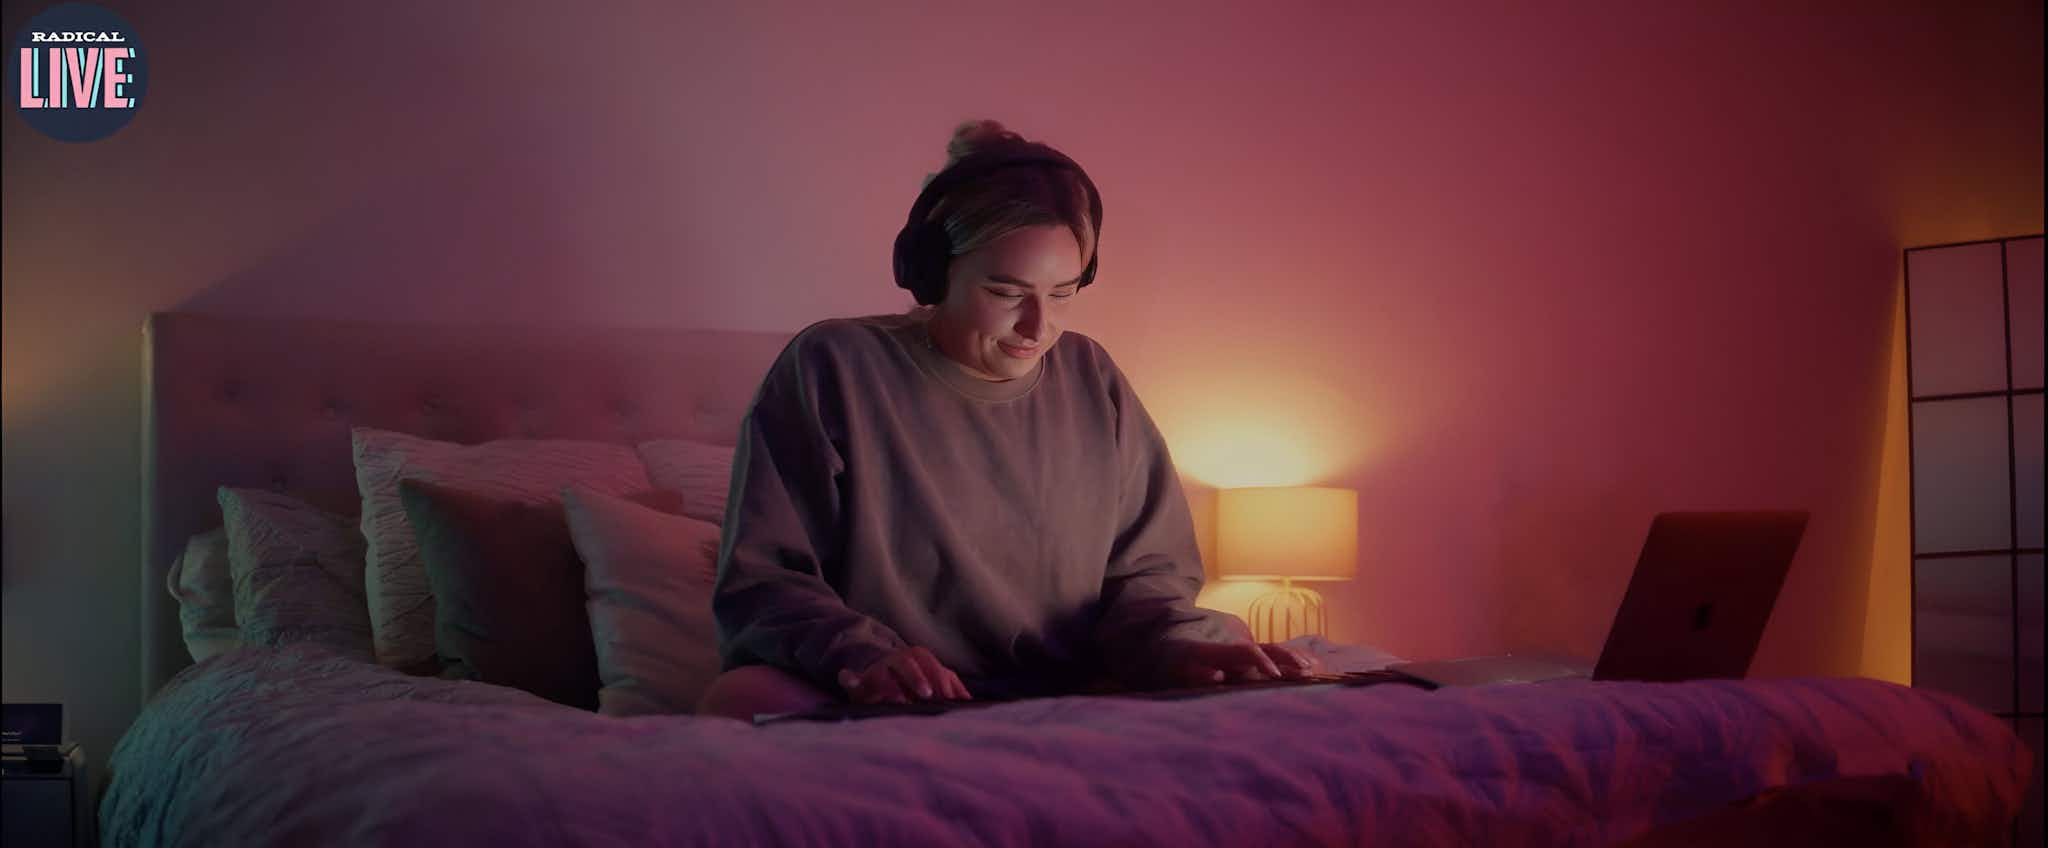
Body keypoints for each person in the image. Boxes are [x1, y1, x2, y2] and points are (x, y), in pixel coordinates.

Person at [696, 120, 1318, 722]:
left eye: (1064, 293)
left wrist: (1179, 648)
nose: (1037, 326)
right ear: (934, 273)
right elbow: (766, 581)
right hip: (889, 694)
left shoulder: (1092, 375)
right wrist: (865, 655)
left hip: (1076, 686)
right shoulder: (834, 366)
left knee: (1245, 660)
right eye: (1005, 292)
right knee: (745, 702)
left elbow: (1148, 578)